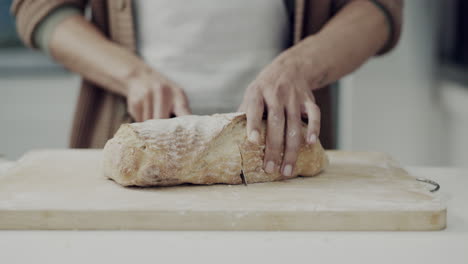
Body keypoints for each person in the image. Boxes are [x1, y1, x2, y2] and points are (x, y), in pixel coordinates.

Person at [12, 0, 402, 178]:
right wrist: (131, 75)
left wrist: (303, 64)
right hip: (132, 130)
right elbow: (38, 7)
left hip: (283, 142)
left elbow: (380, 8)